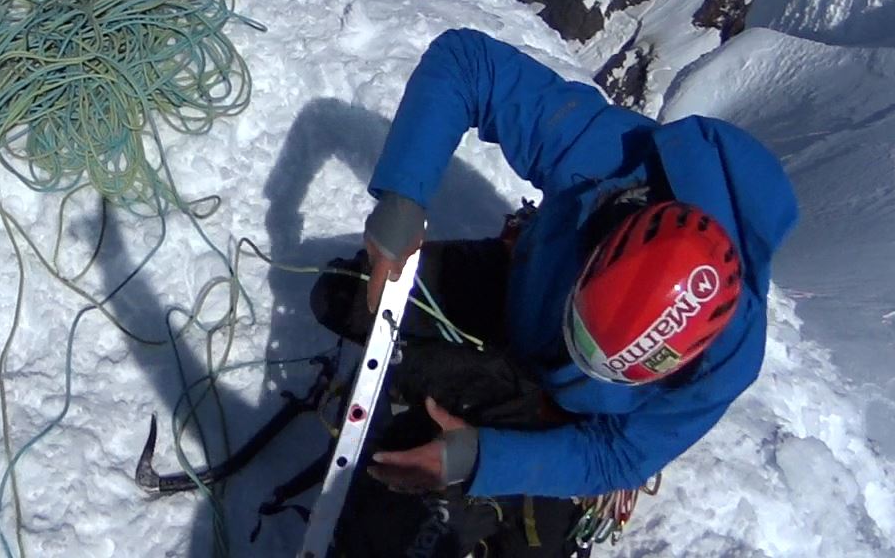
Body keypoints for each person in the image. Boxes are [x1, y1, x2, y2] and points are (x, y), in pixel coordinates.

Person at [313, 28, 797, 557]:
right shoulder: (612, 158)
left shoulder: (725, 362)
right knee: (347, 295)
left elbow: (620, 457)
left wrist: (482, 460)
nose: (580, 359)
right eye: (582, 335)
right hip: (521, 289)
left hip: (564, 420)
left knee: (419, 490)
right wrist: (403, 199)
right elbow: (468, 65)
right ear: (601, 249)